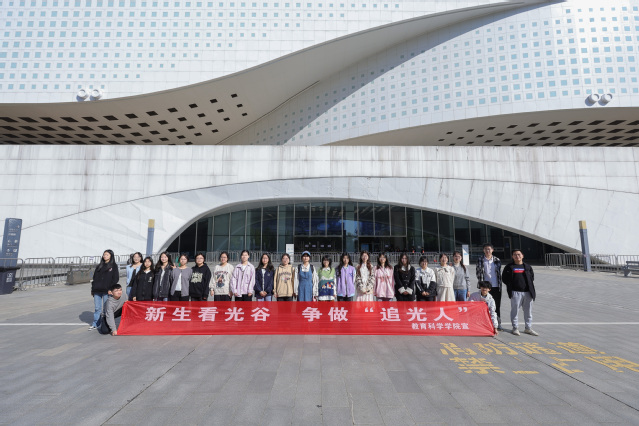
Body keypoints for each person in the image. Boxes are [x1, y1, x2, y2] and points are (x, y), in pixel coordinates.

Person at [502, 249, 538, 336]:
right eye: (515, 254)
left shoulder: (527, 267)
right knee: (515, 311)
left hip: (527, 292)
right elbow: (504, 278)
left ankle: (528, 328)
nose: (517, 256)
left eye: (518, 254)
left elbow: (532, 278)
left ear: (522, 256)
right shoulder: (509, 267)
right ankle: (515, 328)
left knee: (528, 311)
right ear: (512, 256)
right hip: (515, 292)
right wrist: (511, 286)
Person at [89, 249, 120, 331]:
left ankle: (105, 324)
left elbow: (115, 279)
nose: (105, 256)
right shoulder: (99, 266)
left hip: (107, 291)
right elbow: (94, 278)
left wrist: (111, 289)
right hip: (97, 290)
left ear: (111, 256)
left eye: (107, 255)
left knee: (106, 308)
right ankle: (96, 323)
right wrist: (93, 289)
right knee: (97, 308)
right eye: (104, 254)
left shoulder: (113, 266)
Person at [476, 243, 504, 330]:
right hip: (485, 287)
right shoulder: (480, 259)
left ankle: (497, 324)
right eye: (485, 249)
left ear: (492, 250)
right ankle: (485, 323)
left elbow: (499, 272)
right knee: (484, 306)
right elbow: (478, 272)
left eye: (489, 249)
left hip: (496, 286)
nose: (487, 250)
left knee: (496, 306)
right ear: (483, 250)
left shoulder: (497, 260)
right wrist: (481, 284)